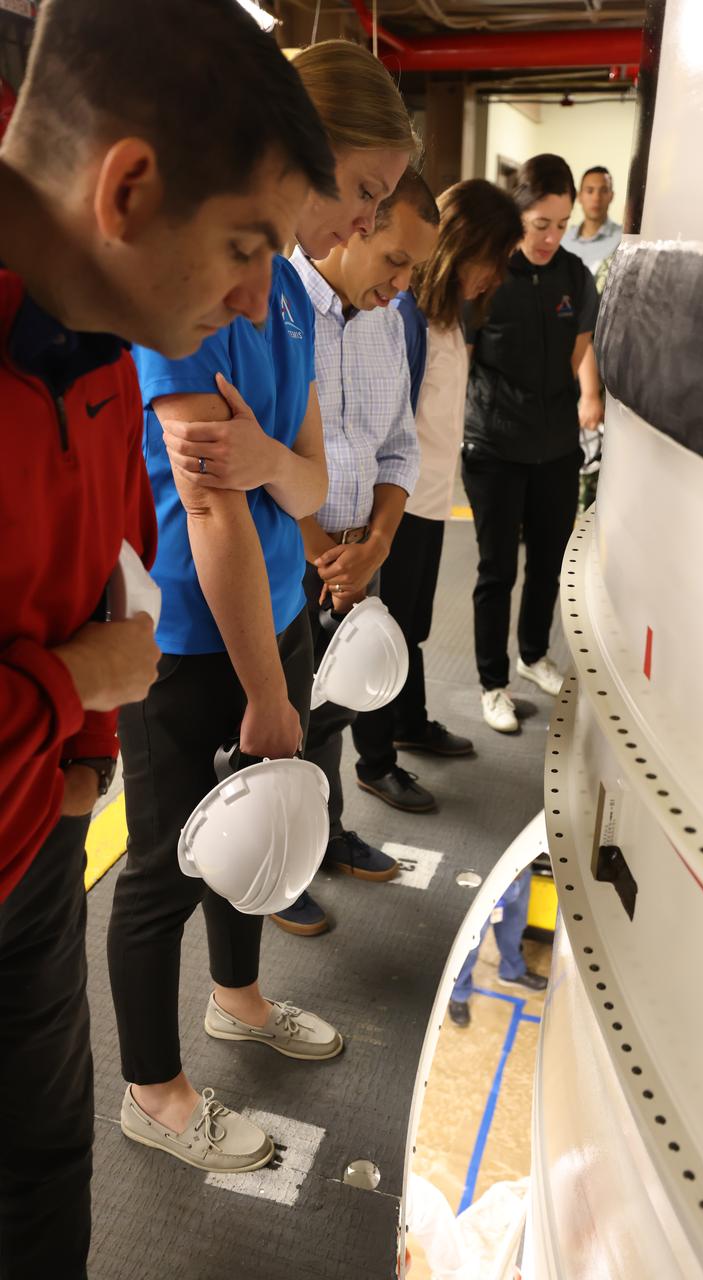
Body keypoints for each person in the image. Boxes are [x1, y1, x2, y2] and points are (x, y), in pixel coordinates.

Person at [0, 0, 333, 1273]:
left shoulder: (95, 317)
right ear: (128, 187)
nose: (261, 292)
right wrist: (74, 691)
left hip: (35, 824)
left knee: (43, 1164)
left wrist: (80, 749)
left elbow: (94, 556)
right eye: (248, 247)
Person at [107, 39, 419, 1178]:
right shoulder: (200, 284)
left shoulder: (284, 289)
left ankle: (235, 999)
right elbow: (215, 510)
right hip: (186, 632)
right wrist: (266, 689)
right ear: (304, 149)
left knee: (260, 821)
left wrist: (267, 464)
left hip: (272, 607)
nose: (365, 223)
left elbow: (303, 471)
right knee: (165, 867)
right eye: (364, 192)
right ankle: (154, 1091)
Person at [275, 170, 439, 935]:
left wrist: (373, 544)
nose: (403, 284)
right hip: (284, 555)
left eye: (415, 271)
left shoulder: (386, 319)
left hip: (352, 557)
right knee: (278, 724)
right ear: (359, 224)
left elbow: (400, 449)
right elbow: (265, 455)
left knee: (332, 713)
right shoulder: (276, 306)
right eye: (396, 261)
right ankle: (280, 865)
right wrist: (316, 551)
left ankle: (326, 834)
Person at [352, 179, 523, 811]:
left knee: (412, 625)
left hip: (425, 501)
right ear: (464, 247)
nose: (497, 276)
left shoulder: (448, 315)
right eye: (495, 260)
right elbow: (384, 423)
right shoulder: (405, 317)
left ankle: (409, 721)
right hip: (395, 506)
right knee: (385, 632)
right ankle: (375, 759)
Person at [463, 154, 603, 734]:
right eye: (540, 223)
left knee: (548, 562)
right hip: (494, 445)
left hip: (555, 444)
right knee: (497, 570)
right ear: (517, 214)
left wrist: (580, 399)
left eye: (561, 224)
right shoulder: (488, 276)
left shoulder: (573, 274)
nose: (550, 236)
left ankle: (533, 653)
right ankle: (493, 683)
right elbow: (464, 357)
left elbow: (579, 347)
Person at [448, 869, 547, 1028]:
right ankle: (458, 995)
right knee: (469, 945)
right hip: (482, 880)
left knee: (514, 926)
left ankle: (512, 972)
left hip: (520, 872)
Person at [561, 164, 623, 287]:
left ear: (611, 196)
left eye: (604, 191)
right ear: (579, 196)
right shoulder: (563, 240)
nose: (596, 198)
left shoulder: (622, 241)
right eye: (590, 191)